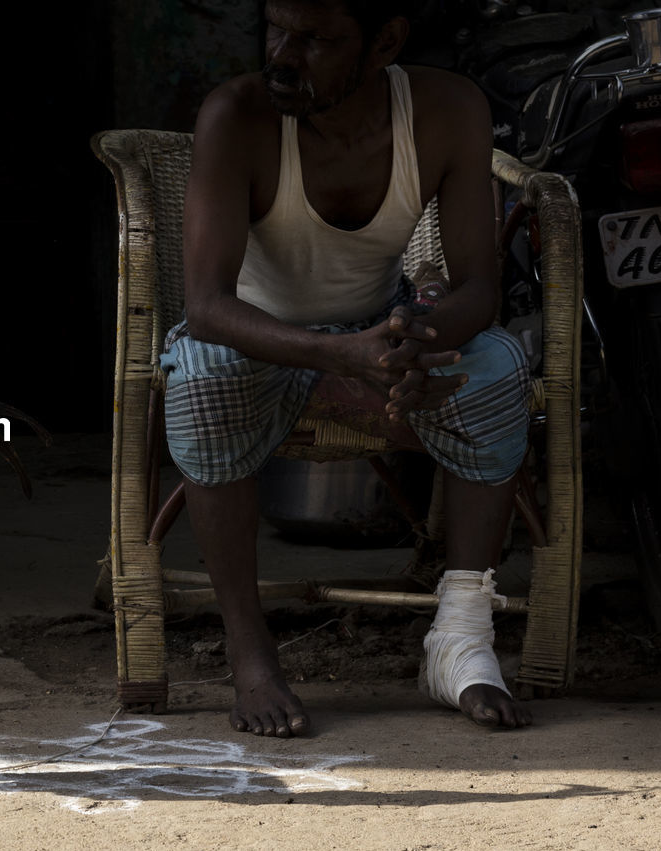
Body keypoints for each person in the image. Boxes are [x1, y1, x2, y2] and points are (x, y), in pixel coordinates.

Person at [162, 0, 534, 737]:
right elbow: (205, 306)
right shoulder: (235, 116)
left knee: (495, 370)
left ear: (384, 41)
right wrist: (347, 354)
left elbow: (480, 292)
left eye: (316, 40)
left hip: (379, 330)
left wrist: (411, 339)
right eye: (274, 28)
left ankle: (460, 641)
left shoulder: (445, 109)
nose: (283, 56)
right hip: (256, 339)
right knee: (201, 380)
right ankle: (251, 652)